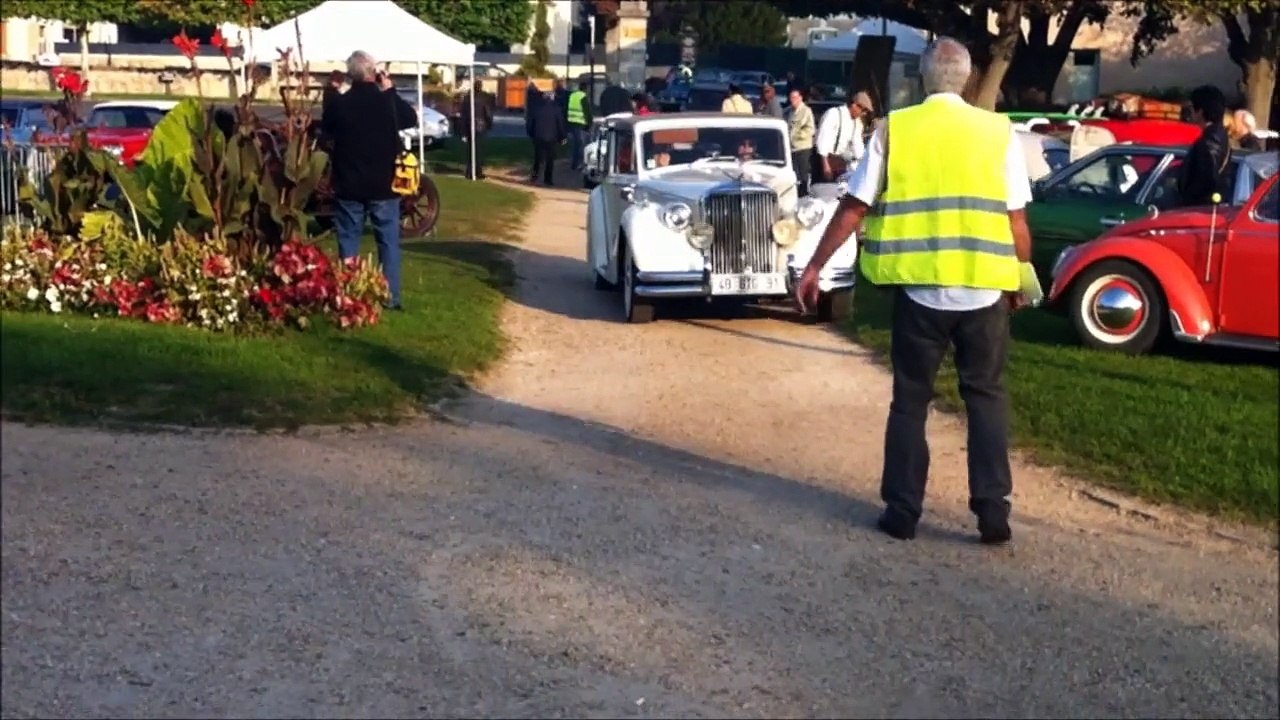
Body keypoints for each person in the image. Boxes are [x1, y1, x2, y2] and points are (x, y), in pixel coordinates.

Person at [795, 37, 1034, 545]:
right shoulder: (997, 132)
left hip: (920, 294)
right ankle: (993, 511)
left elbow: (855, 206)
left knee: (910, 402)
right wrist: (1021, 279)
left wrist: (815, 264)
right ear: (968, 78)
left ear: (923, 78)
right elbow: (1016, 220)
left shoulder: (895, 130)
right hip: (985, 290)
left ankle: (903, 511)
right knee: (986, 398)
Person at [322, 50, 417, 311]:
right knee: (388, 241)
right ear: (374, 73)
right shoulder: (386, 101)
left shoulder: (340, 104)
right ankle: (390, 295)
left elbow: (325, 129)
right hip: (383, 184)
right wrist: (390, 90)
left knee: (349, 240)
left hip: (349, 182)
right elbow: (410, 118)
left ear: (350, 75)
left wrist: (335, 90)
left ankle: (349, 292)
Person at [1177, 85, 1231, 207]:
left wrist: (1189, 198)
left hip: (1199, 212)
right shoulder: (1219, 136)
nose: (1189, 113)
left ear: (1200, 111)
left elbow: (1207, 179)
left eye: (1191, 108)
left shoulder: (1210, 141)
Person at [813, 90, 874, 184]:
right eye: (863, 110)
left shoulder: (856, 123)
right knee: (822, 193)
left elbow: (858, 147)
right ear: (854, 105)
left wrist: (865, 164)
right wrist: (826, 166)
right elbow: (822, 140)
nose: (864, 114)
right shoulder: (833, 114)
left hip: (838, 162)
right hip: (823, 161)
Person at [529, 90, 566, 186]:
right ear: (552, 97)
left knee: (537, 158)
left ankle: (534, 176)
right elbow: (560, 124)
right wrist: (562, 136)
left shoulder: (536, 108)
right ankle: (547, 179)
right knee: (550, 160)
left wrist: (532, 134)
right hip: (551, 137)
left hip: (538, 136)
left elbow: (531, 123)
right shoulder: (556, 109)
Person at [787, 87, 816, 196]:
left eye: (794, 97)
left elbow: (811, 129)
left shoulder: (806, 111)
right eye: (790, 97)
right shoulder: (790, 112)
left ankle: (804, 193)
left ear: (800, 98)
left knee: (803, 172)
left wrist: (797, 135)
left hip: (803, 147)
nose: (792, 100)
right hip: (792, 148)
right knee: (794, 173)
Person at [460, 88, 494, 180]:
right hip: (480, 127)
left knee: (470, 150)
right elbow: (488, 113)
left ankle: (469, 171)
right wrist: (489, 124)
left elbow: (463, 116)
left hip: (469, 127)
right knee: (478, 150)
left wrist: (463, 132)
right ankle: (477, 171)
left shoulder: (467, 99)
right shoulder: (484, 98)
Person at [566, 81, 593, 172]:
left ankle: (573, 163)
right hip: (580, 123)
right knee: (580, 145)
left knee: (574, 144)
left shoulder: (573, 95)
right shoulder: (583, 97)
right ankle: (577, 164)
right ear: (585, 89)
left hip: (571, 122)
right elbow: (587, 112)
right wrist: (589, 124)